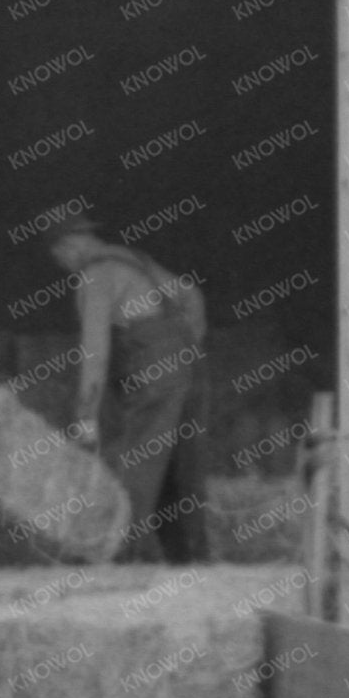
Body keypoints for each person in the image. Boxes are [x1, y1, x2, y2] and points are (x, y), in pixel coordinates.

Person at [46, 204, 211, 564]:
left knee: (136, 460)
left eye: (59, 259)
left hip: (155, 369)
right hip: (187, 367)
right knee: (178, 467)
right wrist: (186, 348)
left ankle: (120, 556)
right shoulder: (135, 260)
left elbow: (95, 351)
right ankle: (191, 560)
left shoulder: (94, 276)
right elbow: (192, 294)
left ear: (66, 247)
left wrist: (86, 416)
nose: (64, 266)